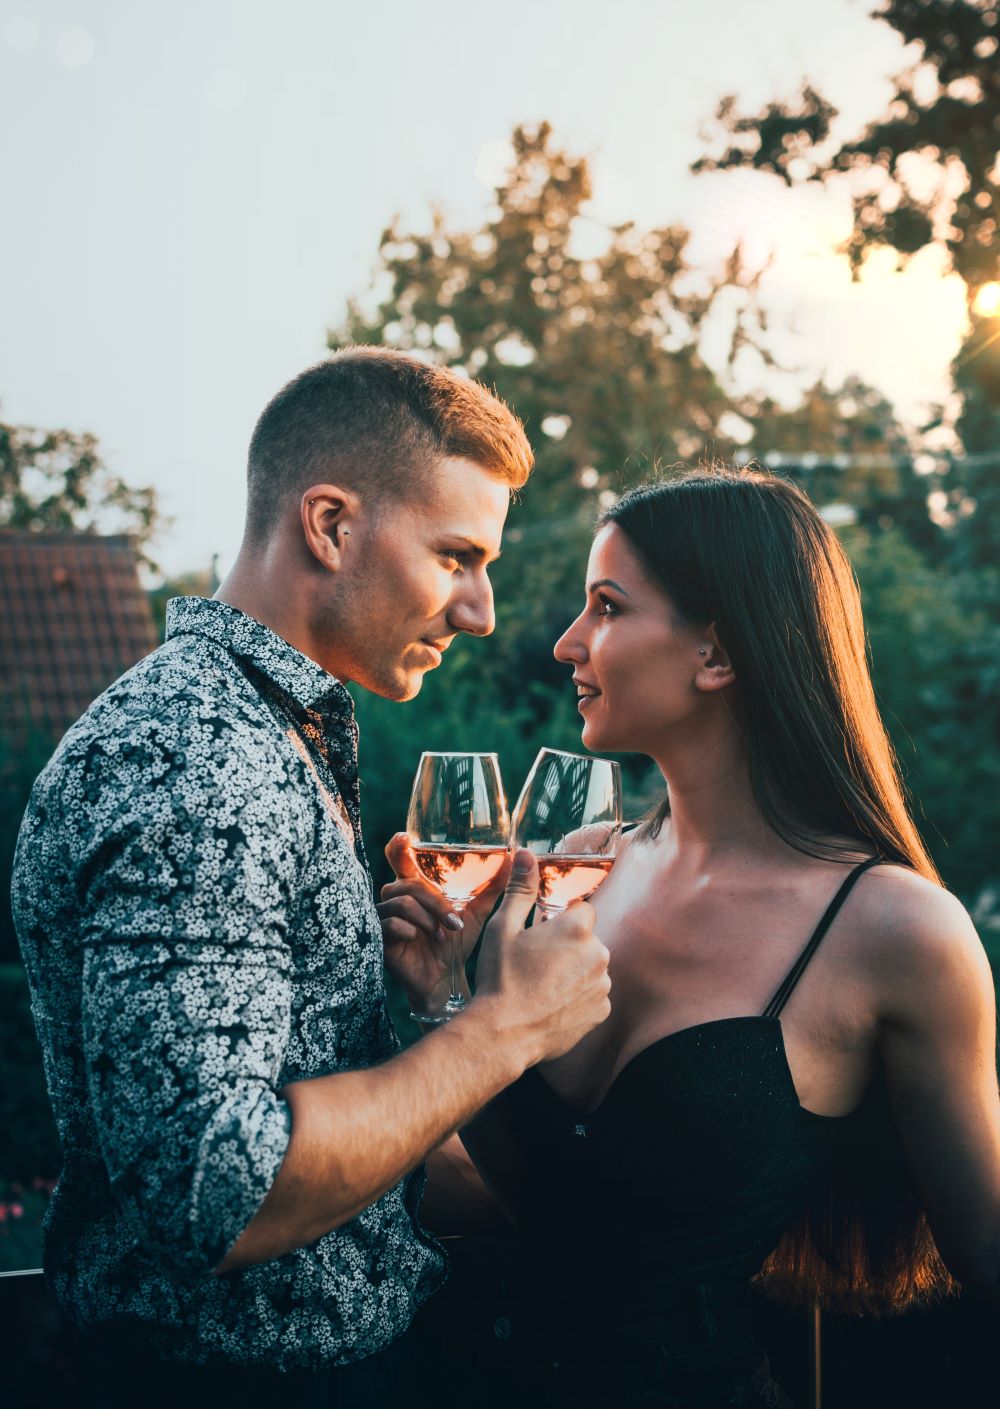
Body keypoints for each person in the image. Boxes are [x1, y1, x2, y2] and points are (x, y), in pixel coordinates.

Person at [10, 347, 612, 1407]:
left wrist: (433, 1008)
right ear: (330, 524)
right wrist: (509, 1027)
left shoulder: (268, 727)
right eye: (457, 555)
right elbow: (217, 1190)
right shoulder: (196, 759)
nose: (479, 609)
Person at [380, 465, 1000, 1407]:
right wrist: (444, 1003)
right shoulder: (576, 867)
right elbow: (541, 1195)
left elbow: (987, 1255)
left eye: (607, 606)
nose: (565, 641)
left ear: (716, 652)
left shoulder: (896, 928)